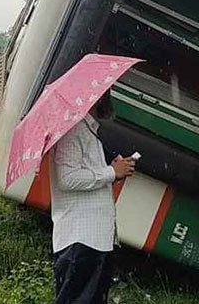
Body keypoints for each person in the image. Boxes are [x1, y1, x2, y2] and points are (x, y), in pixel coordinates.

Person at [51, 90, 136, 304]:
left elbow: (87, 176)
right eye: (105, 92)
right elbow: (67, 178)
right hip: (81, 240)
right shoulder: (74, 130)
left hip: (92, 240)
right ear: (96, 96)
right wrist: (110, 172)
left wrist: (113, 171)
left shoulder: (87, 130)